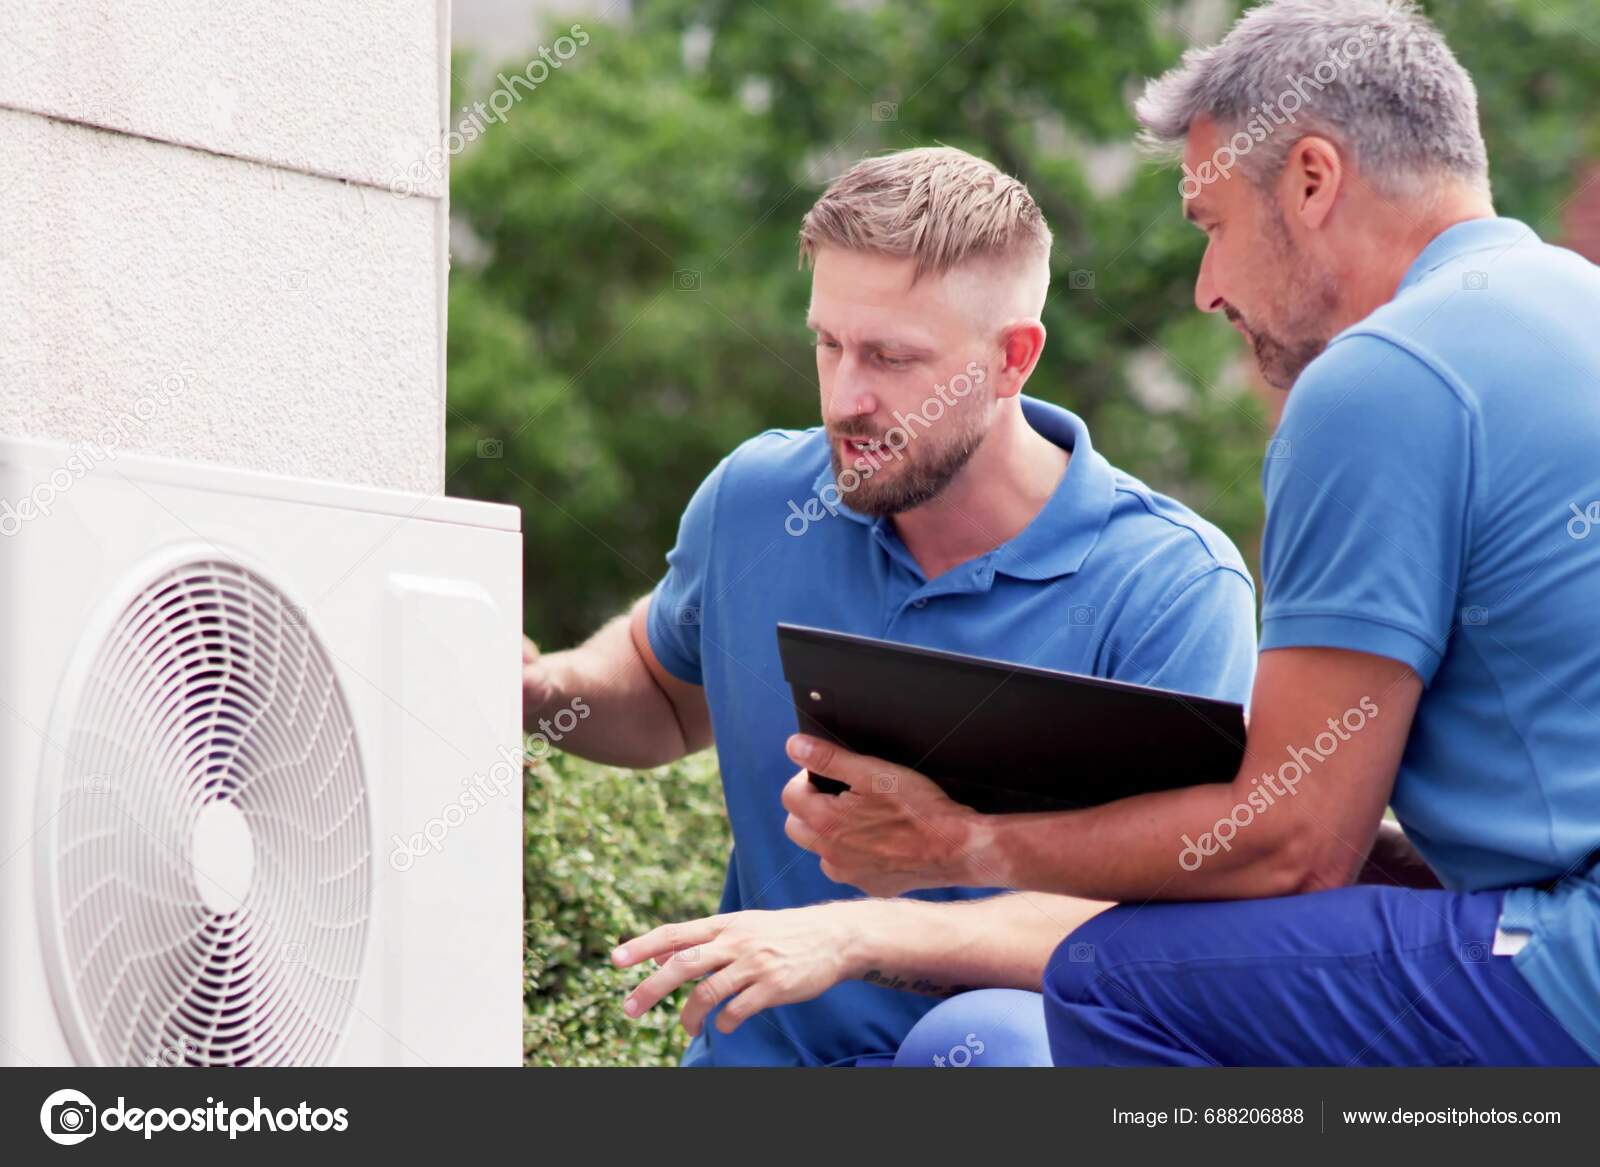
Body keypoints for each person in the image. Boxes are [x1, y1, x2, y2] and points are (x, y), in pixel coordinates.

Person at [758, 0, 1600, 1067]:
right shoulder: (1574, 303)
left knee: (1112, 976)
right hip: (1552, 925)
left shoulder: (1380, 378)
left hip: (1572, 961)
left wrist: (958, 844)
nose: (1208, 289)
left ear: (1309, 178)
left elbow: (1296, 848)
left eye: (1211, 226)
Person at [521, 145, 1259, 1065]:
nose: (845, 398)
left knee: (985, 1045)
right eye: (827, 343)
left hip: (1004, 1076)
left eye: (893, 357)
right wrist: (538, 689)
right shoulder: (756, 500)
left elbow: (1166, 925)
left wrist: (854, 934)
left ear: (1012, 359)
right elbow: (664, 693)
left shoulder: (1171, 586)